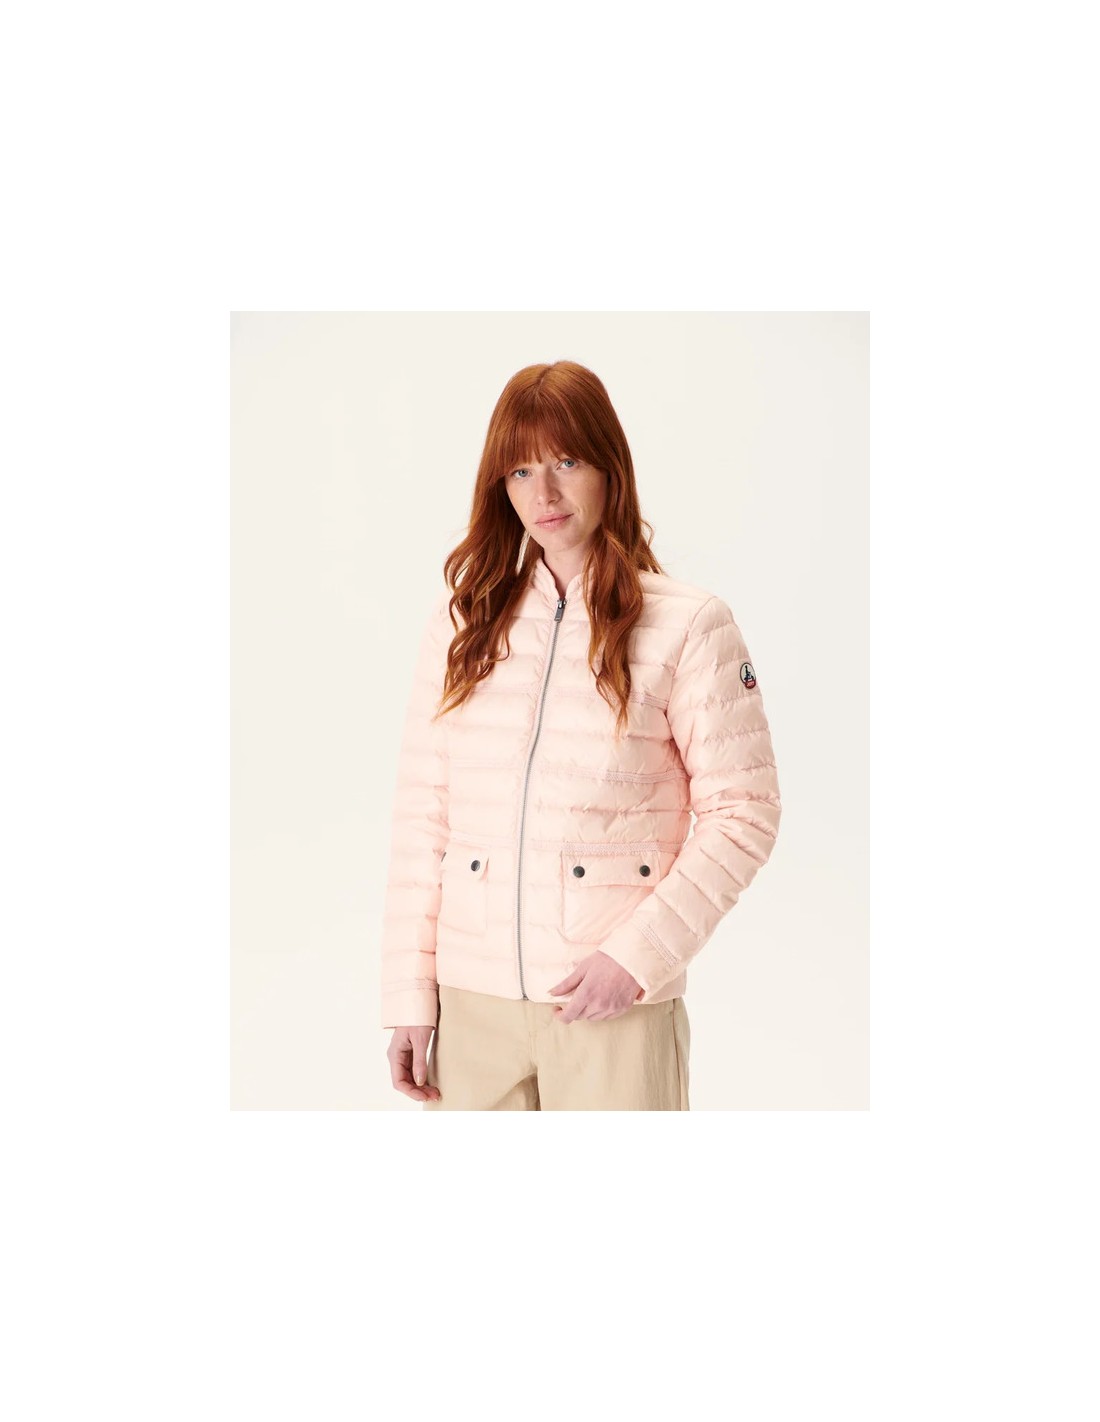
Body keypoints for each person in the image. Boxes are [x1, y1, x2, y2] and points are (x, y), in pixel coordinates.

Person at [380, 361, 782, 1110]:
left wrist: (637, 957)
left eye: (566, 462)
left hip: (612, 1005)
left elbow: (744, 812)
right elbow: (424, 818)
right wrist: (409, 994)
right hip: (472, 1006)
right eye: (520, 470)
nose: (544, 494)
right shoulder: (463, 624)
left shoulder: (689, 623)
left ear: (608, 467)